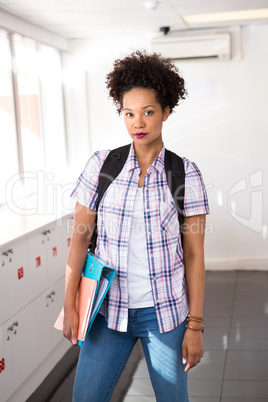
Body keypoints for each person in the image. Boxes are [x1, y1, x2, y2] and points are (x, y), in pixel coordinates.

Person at [63, 50, 210, 401]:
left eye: (147, 112)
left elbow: (194, 255)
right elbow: (79, 242)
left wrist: (195, 325)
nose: (138, 123)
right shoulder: (102, 166)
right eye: (129, 113)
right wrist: (69, 304)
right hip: (107, 310)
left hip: (165, 313)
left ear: (166, 113)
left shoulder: (185, 174)